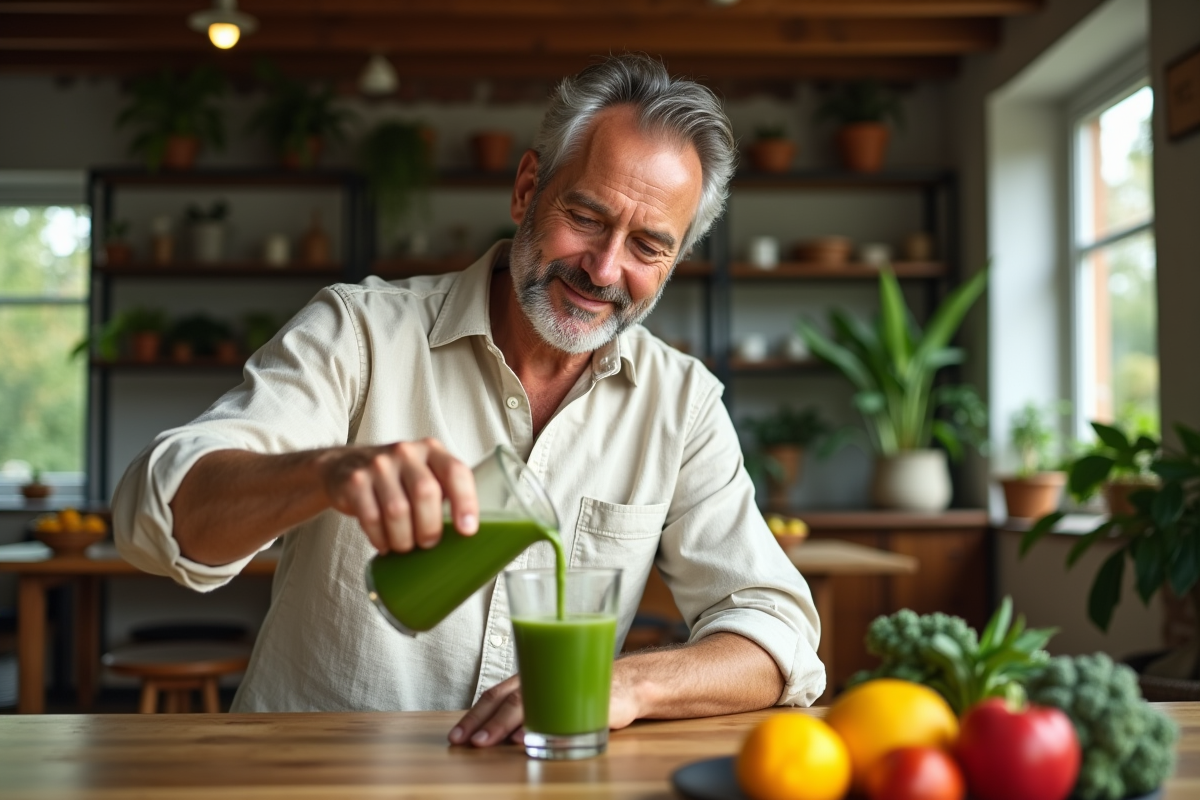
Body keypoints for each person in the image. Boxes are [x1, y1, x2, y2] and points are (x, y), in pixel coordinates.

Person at [113, 54, 824, 745]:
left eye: (647, 246)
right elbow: (156, 519)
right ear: (526, 190)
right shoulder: (359, 333)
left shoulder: (681, 404)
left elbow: (777, 629)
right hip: (315, 774)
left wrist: (628, 685)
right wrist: (325, 472)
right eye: (585, 216)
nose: (605, 269)